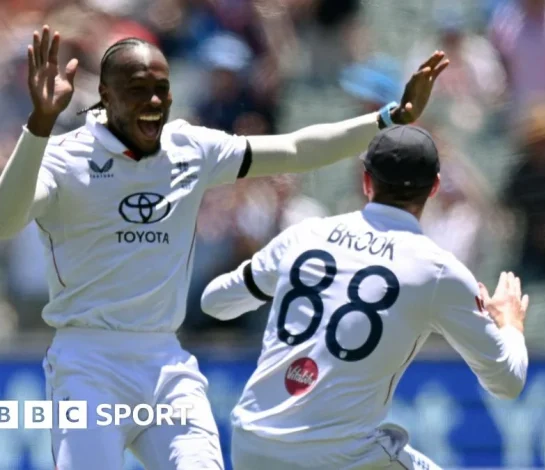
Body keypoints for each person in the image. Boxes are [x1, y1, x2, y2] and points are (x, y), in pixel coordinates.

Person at [0, 25, 448, 470]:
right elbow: (5, 221)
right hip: (88, 365)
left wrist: (388, 119)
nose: (155, 102)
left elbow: (294, 150)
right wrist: (38, 126)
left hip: (164, 362)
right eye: (138, 89)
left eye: (162, 89)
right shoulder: (63, 156)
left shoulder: (189, 147)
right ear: (105, 94)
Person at [200, 124, 529, 469]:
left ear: (366, 181)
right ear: (433, 188)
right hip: (339, 457)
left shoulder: (303, 235)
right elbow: (507, 382)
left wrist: (269, 283)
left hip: (252, 443)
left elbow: (214, 303)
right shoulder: (438, 271)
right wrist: (510, 324)